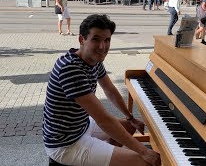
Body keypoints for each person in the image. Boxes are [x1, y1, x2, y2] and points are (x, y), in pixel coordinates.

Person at [42, 14, 161, 166]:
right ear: (81, 40)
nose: (102, 46)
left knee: (130, 127)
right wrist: (144, 151)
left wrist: (130, 117)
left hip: (81, 125)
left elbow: (110, 90)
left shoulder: (93, 60)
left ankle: (102, 159)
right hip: (65, 144)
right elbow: (104, 120)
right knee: (145, 162)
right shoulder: (70, 68)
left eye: (107, 40)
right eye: (96, 39)